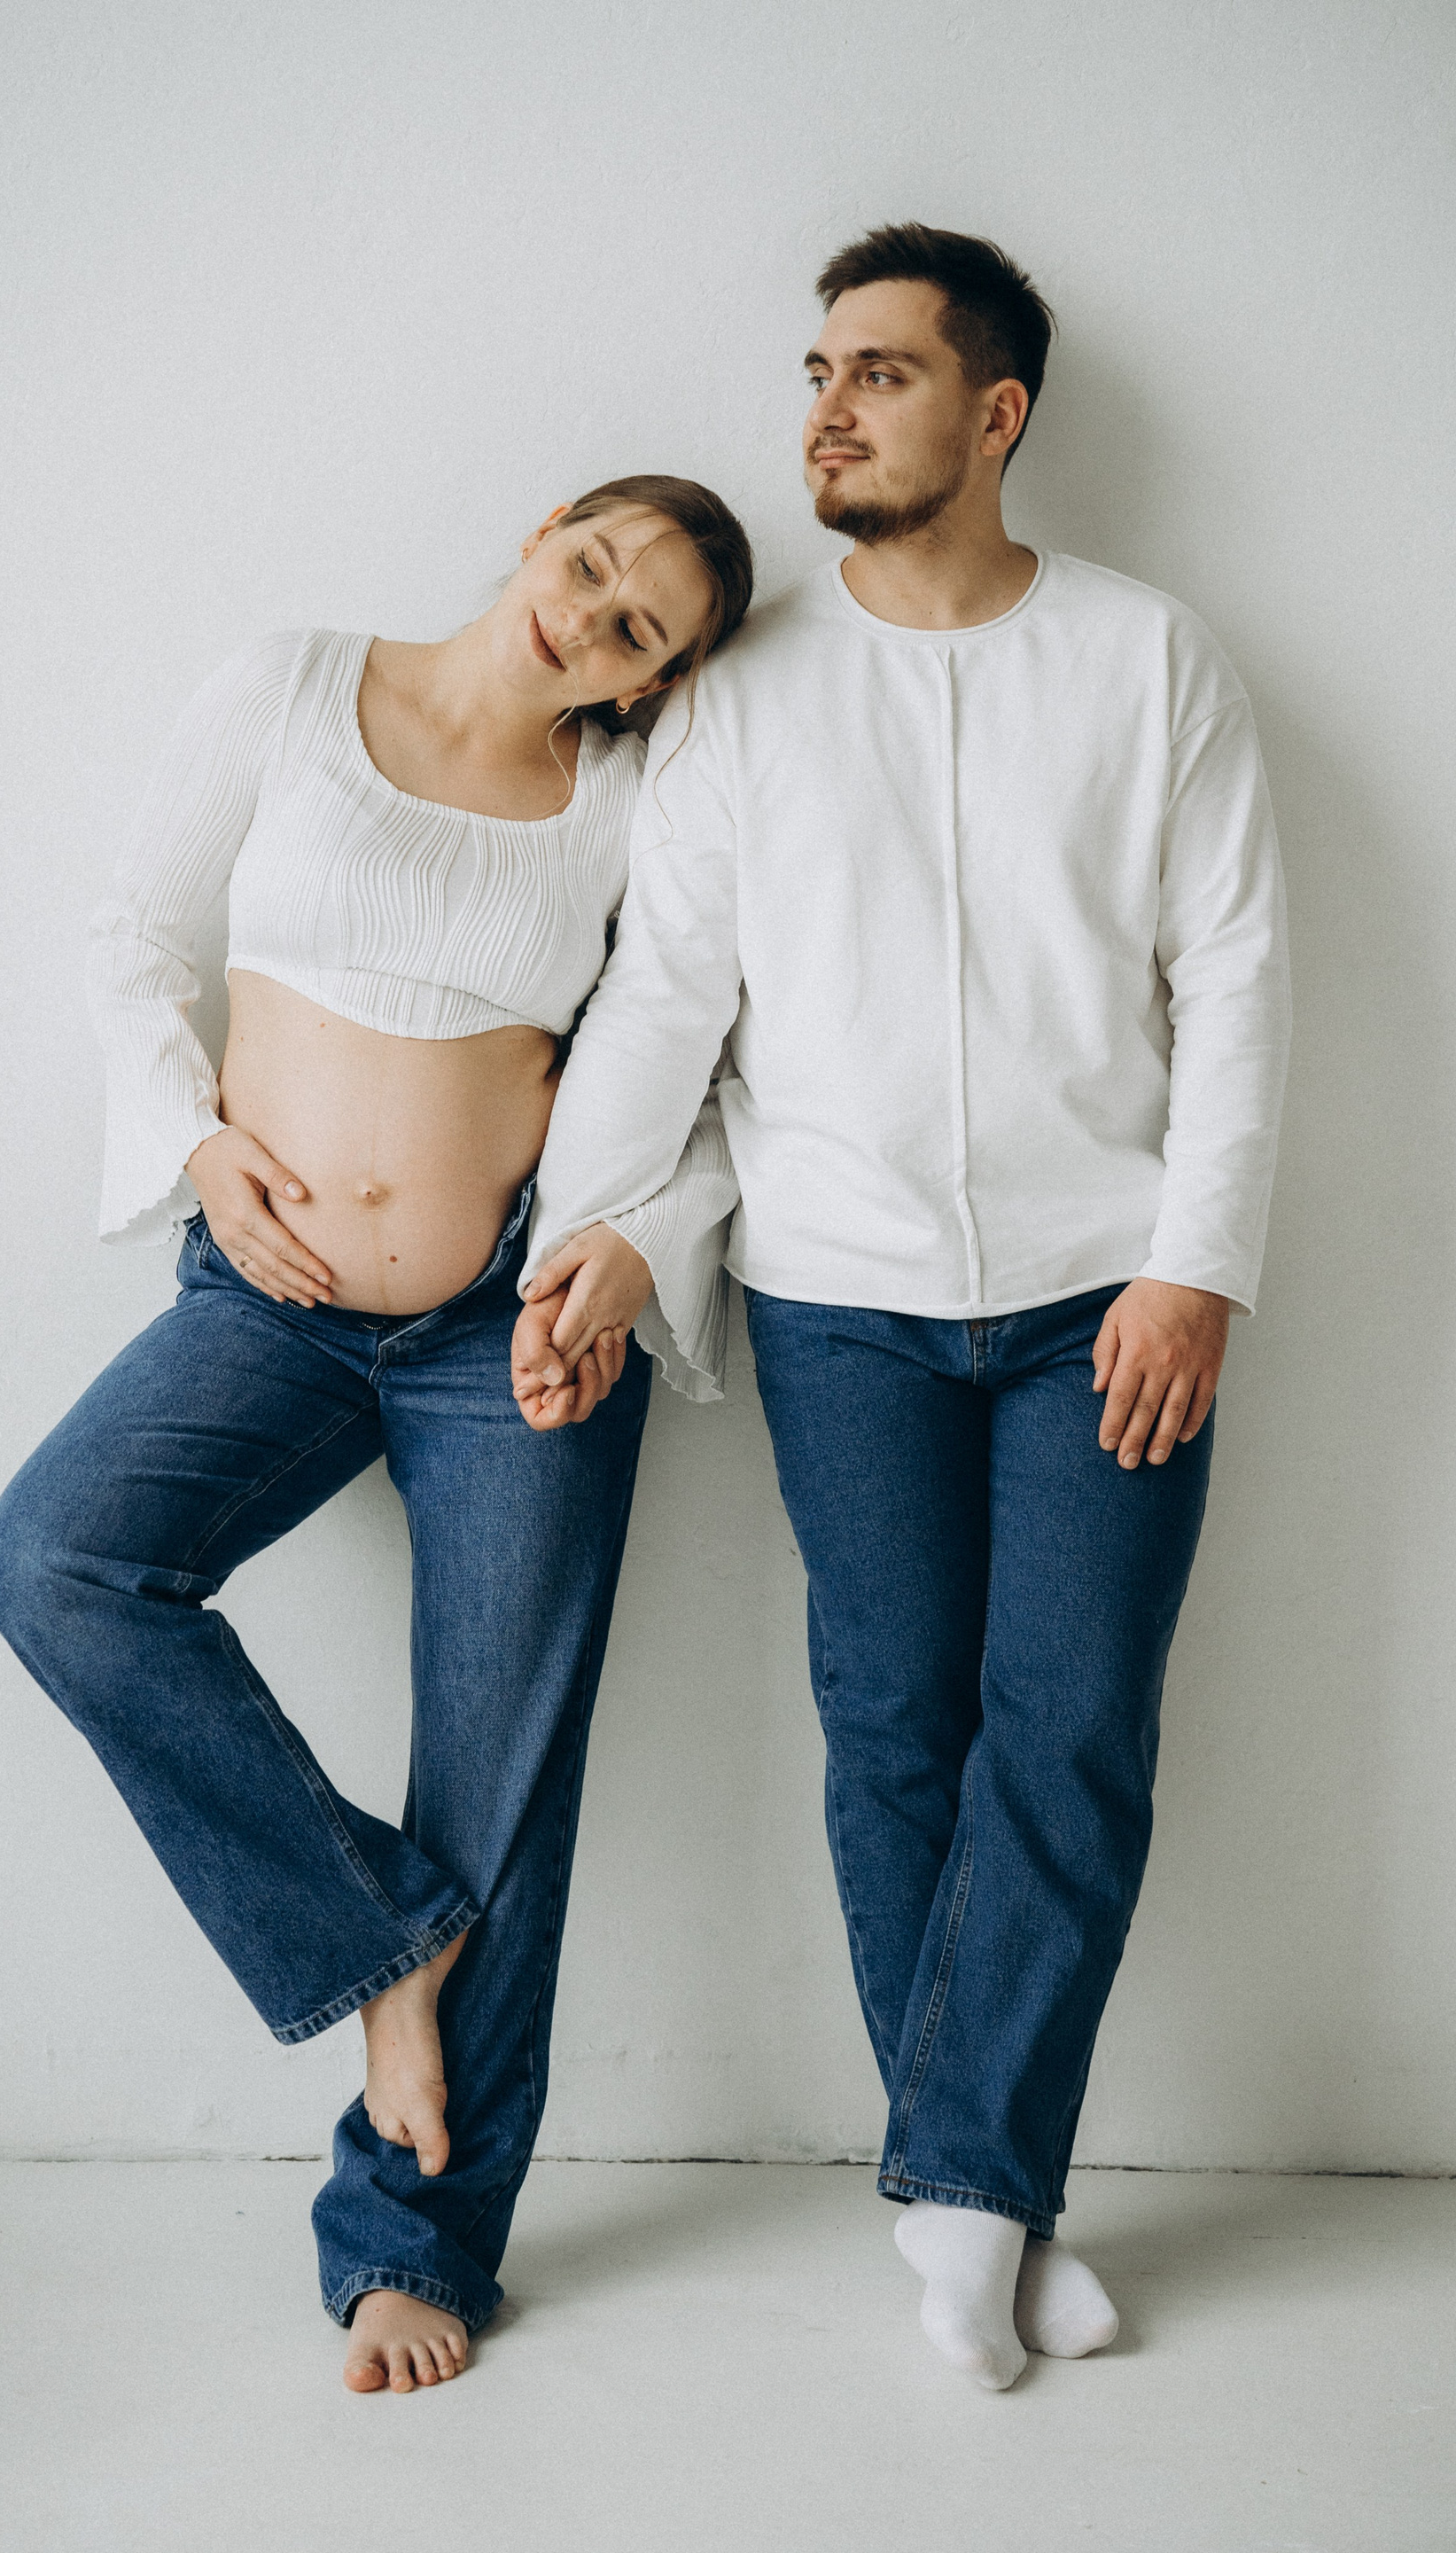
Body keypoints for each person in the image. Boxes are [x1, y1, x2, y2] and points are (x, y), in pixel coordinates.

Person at [513, 226, 1291, 2391]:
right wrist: (590, 1232)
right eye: (819, 372)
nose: (829, 410)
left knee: (1075, 1732)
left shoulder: (1151, 659)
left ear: (996, 413)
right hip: (839, 1295)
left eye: (879, 372)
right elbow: (668, 995)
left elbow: (1236, 978)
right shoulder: (745, 688)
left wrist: (1199, 1263)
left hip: (1104, 1294)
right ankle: (986, 2199)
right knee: (891, 1731)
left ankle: (962, 2190)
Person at [0, 476, 752, 2394]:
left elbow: (717, 1065)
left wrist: (633, 1253)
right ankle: (377, 1940)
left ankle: (416, 2239)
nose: (593, 615)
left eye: (641, 629)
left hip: (511, 1326)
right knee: (59, 1562)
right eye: (595, 564)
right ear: (546, 529)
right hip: (271, 1304)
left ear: (654, 683)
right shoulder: (296, 685)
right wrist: (195, 1145)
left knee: (504, 1769)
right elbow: (129, 938)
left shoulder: (632, 807)